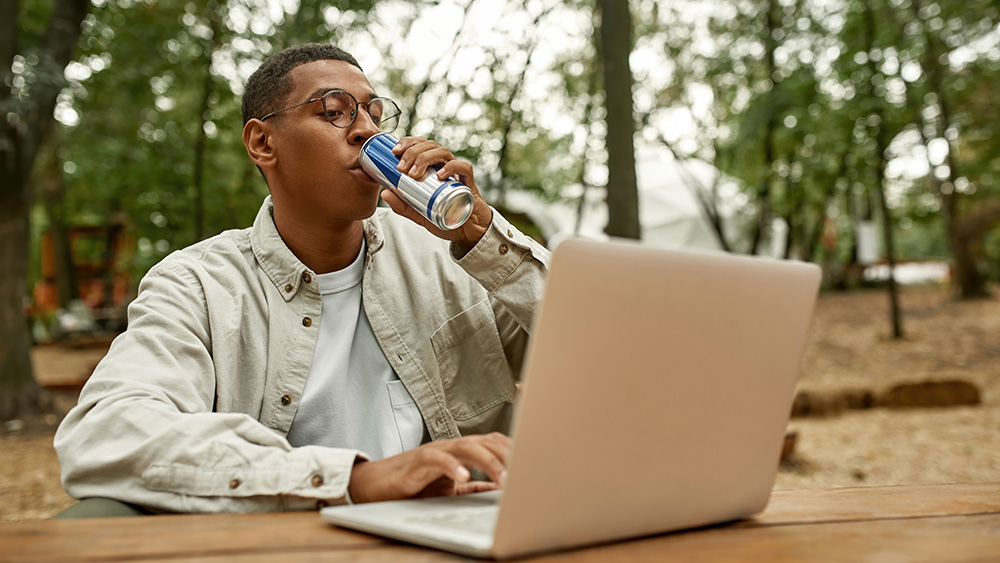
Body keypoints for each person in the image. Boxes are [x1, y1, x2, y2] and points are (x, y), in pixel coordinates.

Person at [53, 43, 550, 516]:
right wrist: (351, 481)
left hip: (461, 532)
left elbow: (607, 351)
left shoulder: (449, 258)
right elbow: (107, 432)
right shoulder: (199, 286)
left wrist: (485, 236)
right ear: (263, 142)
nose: (367, 132)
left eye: (375, 114)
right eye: (334, 111)